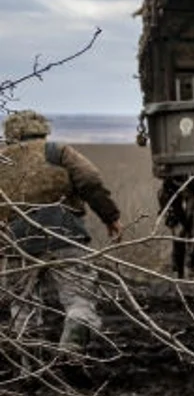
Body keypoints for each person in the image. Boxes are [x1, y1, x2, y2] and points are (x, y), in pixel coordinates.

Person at [0, 110, 123, 354]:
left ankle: (29, 367)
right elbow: (89, 180)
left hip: (17, 241)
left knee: (23, 307)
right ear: (43, 130)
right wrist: (111, 218)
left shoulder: (2, 160)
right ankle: (72, 351)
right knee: (79, 299)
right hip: (65, 234)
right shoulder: (58, 152)